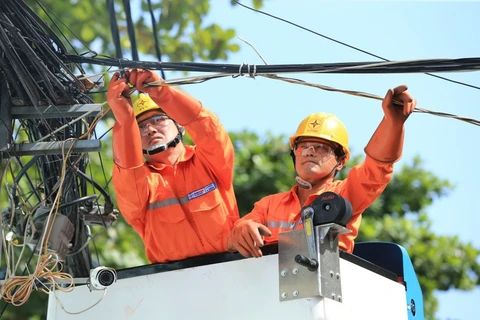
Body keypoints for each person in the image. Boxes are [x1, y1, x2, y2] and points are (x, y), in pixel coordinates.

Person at [226, 85, 416, 258]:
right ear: (294, 154)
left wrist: (393, 123)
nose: (309, 151)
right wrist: (241, 230)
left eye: (321, 147)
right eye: (303, 146)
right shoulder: (268, 205)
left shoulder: (343, 195)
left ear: (340, 161)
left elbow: (377, 168)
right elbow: (234, 237)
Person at [106, 69, 239, 263]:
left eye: (158, 120)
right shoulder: (142, 184)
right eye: (140, 127)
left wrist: (162, 91)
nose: (150, 129)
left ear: (179, 126)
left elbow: (208, 127)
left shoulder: (208, 161)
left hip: (233, 267)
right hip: (174, 283)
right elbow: (128, 171)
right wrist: (125, 122)